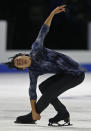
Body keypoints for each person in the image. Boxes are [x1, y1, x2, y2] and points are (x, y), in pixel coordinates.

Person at [4, 5, 85, 126]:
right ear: (23, 68)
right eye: (18, 64)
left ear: (24, 55)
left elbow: (44, 30)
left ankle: (32, 116)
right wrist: (34, 109)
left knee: (49, 92)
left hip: (76, 73)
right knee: (43, 87)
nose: (20, 62)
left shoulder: (36, 49)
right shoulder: (33, 71)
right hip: (65, 74)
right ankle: (62, 113)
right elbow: (32, 91)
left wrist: (52, 13)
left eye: (19, 59)